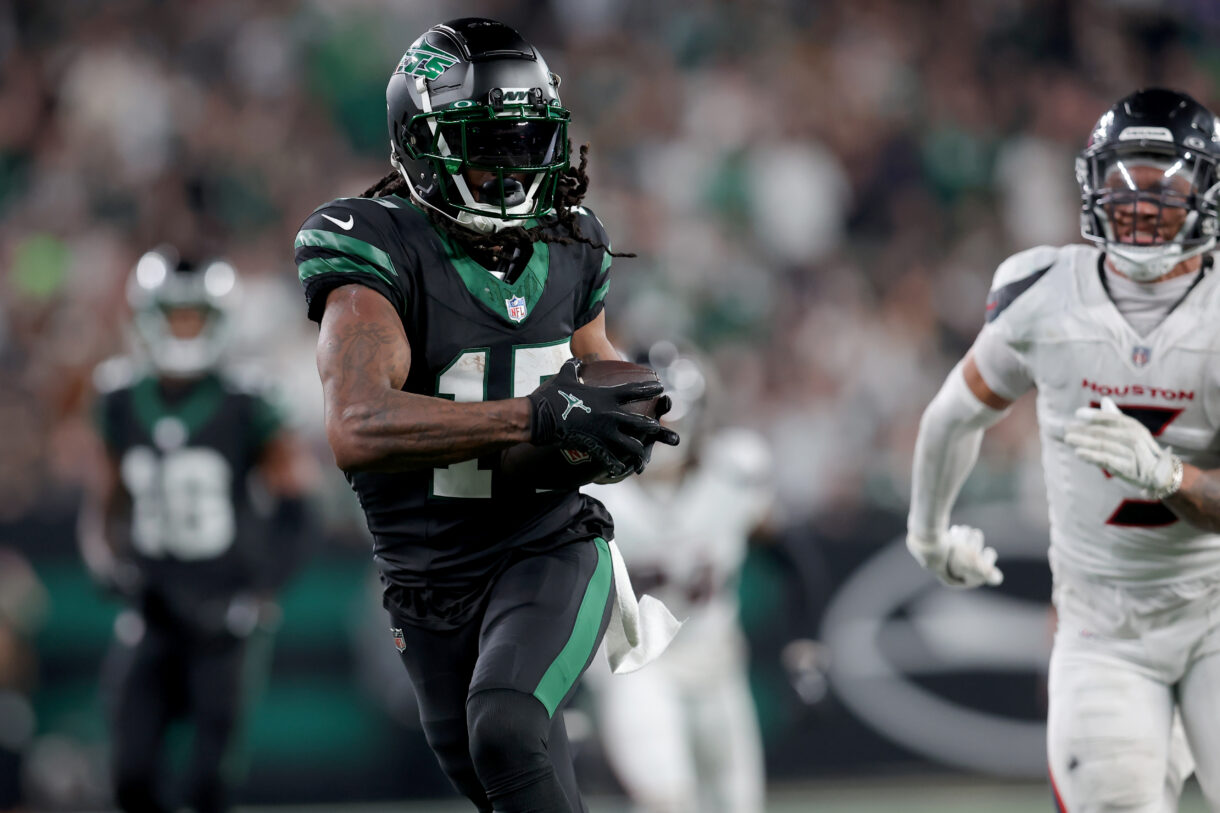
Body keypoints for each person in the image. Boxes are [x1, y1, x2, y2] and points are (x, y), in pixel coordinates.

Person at [293, 18, 678, 813]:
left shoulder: (574, 243)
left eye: (524, 141)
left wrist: (619, 422)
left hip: (549, 545)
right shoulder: (374, 247)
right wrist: (534, 416)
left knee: (504, 725)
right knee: (515, 780)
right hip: (427, 581)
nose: (507, 167)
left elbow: (594, 371)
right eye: (483, 142)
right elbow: (357, 425)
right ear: (418, 141)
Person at [906, 87, 1220, 811]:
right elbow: (953, 415)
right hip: (1100, 622)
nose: (1140, 204)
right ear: (1092, 184)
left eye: (1165, 185)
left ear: (1206, 193)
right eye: (1124, 181)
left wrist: (1172, 475)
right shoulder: (1044, 291)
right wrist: (927, 529)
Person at [80, 247, 319, 813]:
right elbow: (103, 506)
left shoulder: (247, 401)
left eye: (195, 315)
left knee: (208, 784)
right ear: (147, 316)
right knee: (131, 776)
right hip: (154, 610)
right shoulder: (117, 396)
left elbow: (300, 511)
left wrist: (257, 594)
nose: (184, 328)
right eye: (174, 314)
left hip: (222, 614)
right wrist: (108, 567)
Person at [584, 343, 773, 813]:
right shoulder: (590, 488)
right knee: (668, 801)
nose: (662, 434)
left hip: (717, 663)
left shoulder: (735, 471)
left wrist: (806, 642)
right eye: (649, 419)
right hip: (633, 664)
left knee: (737, 804)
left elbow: (786, 547)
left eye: (671, 420)